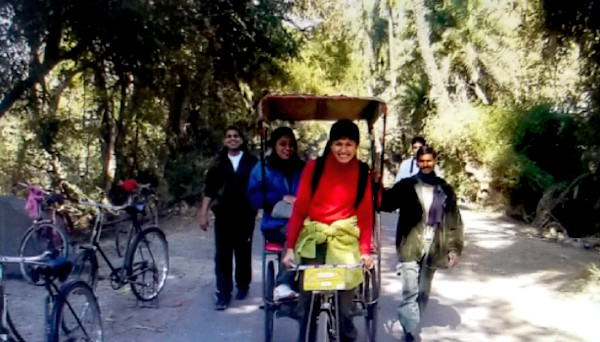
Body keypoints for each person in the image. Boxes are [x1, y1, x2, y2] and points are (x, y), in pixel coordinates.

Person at [282, 119, 374, 342]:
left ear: (357, 146)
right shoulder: (314, 168)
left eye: (349, 144)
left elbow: (365, 215)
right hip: (315, 236)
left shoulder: (363, 172)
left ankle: (347, 336)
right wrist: (290, 248)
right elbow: (300, 208)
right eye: (338, 144)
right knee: (306, 304)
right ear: (331, 144)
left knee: (345, 309)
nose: (343, 150)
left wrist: (365, 250)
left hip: (345, 239)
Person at [380, 145, 463, 342]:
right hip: (410, 243)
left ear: (435, 161)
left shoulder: (445, 189)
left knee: (423, 290)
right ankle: (410, 329)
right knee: (410, 289)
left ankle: (413, 320)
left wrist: (454, 248)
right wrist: (375, 186)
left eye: (429, 160)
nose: (425, 164)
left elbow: (454, 221)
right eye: (422, 161)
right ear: (417, 162)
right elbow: (387, 203)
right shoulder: (407, 186)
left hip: (434, 246)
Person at [198, 127, 258, 310]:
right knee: (223, 255)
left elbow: (259, 186)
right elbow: (210, 190)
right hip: (223, 214)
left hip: (245, 214)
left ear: (241, 139)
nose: (232, 139)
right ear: (224, 141)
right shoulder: (217, 164)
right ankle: (223, 293)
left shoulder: (252, 162)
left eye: (236, 135)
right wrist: (203, 213)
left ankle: (243, 285)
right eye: (229, 136)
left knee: (243, 251)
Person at [247, 127, 305, 300]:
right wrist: (280, 198)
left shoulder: (302, 168)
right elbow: (254, 197)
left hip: (302, 219)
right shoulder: (263, 169)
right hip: (275, 224)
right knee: (295, 233)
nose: (287, 148)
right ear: (274, 145)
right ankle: (283, 283)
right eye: (282, 144)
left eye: (291, 145)